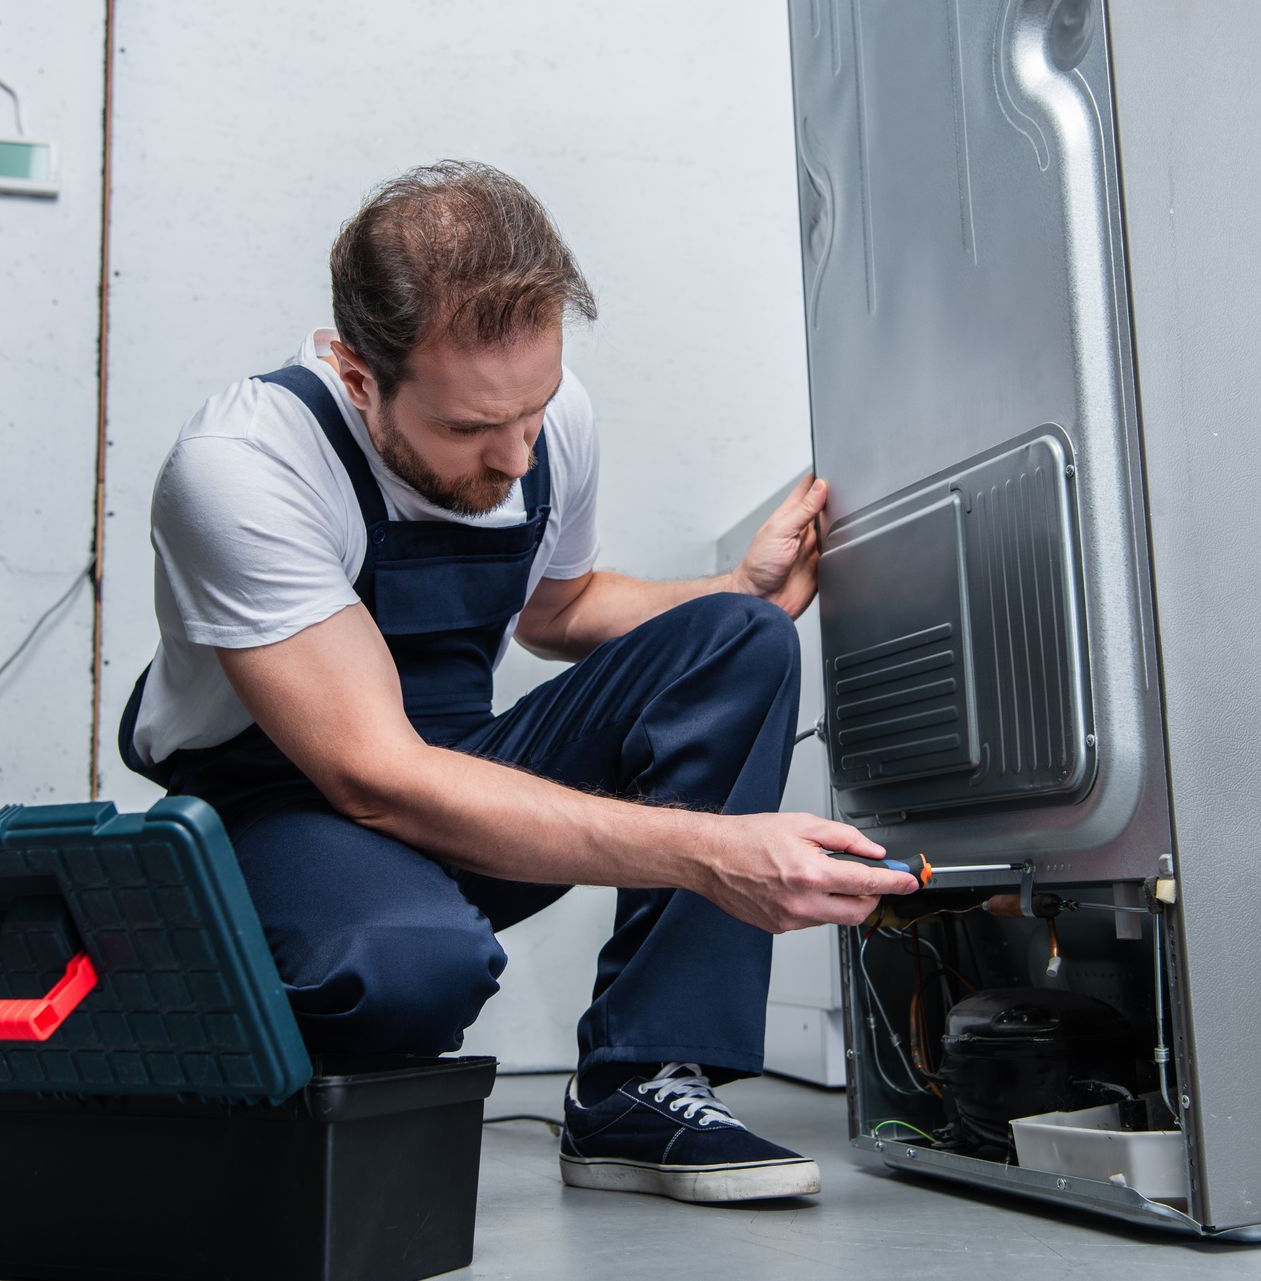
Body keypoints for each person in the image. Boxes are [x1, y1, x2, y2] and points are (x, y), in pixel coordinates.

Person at [118, 160, 918, 1203]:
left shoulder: (544, 420)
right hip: (284, 810)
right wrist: (711, 853)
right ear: (359, 375)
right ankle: (232, 1009)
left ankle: (637, 1083)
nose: (513, 454)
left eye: (533, 409)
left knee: (742, 637)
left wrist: (734, 586)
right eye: (466, 430)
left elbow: (558, 611)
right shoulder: (243, 468)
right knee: (415, 971)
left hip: (451, 771)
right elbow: (374, 778)